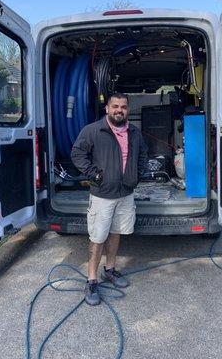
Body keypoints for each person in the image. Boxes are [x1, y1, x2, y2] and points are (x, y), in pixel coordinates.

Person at [71, 92, 147, 306]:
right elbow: (77, 154)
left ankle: (110, 270)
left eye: (123, 107)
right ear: (107, 108)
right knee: (97, 237)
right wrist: (94, 174)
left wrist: (136, 175)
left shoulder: (134, 132)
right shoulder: (94, 130)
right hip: (102, 195)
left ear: (128, 110)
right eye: (115, 106)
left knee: (116, 233)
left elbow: (143, 155)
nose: (119, 110)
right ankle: (92, 280)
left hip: (125, 194)